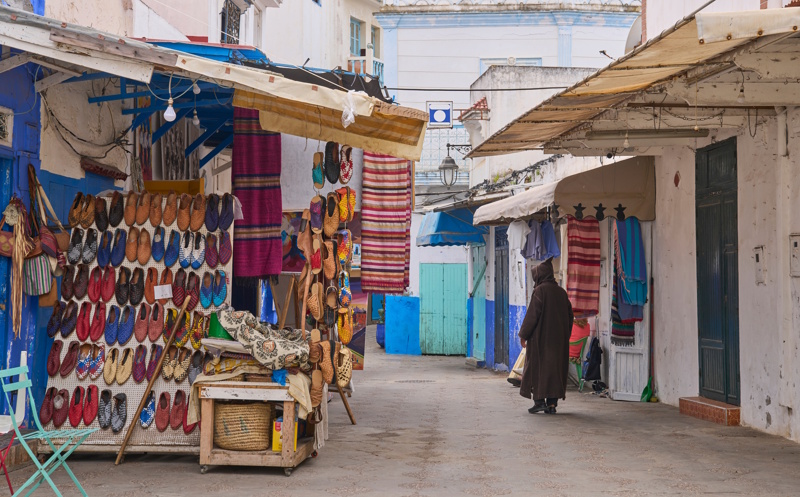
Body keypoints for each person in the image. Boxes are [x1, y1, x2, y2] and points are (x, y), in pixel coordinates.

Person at [518, 257, 573, 414]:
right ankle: (552, 404)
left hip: (540, 341)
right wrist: (564, 336)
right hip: (559, 342)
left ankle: (539, 401)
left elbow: (532, 316)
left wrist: (523, 335)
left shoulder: (540, 291)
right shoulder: (562, 293)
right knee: (555, 371)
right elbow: (570, 317)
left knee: (537, 368)